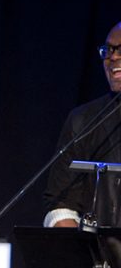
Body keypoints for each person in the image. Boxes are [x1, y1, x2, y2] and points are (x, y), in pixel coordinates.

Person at [44, 21, 121, 228]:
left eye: (120, 49)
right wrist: (84, 255)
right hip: (100, 255)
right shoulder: (83, 120)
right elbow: (60, 205)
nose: (113, 57)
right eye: (109, 50)